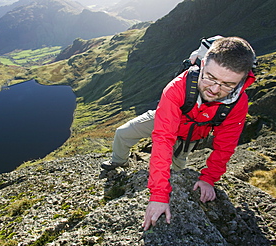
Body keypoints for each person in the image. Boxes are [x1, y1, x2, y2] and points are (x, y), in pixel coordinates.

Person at [102, 37, 256, 231]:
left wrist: (208, 179)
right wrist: (159, 195)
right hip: (166, 117)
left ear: (242, 80)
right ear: (202, 64)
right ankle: (119, 160)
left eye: (228, 84)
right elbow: (163, 139)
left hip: (190, 136)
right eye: (210, 77)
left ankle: (172, 166)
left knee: (178, 171)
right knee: (123, 133)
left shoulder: (237, 104)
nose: (215, 89)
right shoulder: (178, 87)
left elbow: (225, 145)